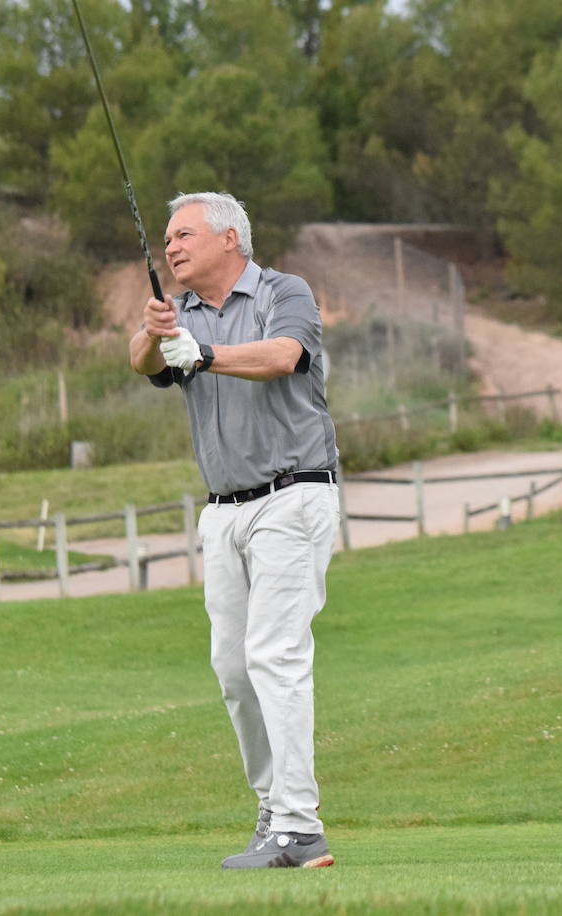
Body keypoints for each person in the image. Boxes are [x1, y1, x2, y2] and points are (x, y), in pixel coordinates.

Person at [129, 192, 339, 869]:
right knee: (233, 669)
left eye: (183, 233)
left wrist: (205, 351)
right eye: (166, 239)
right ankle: (274, 809)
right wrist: (153, 330)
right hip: (222, 509)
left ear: (229, 238)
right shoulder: (180, 313)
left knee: (275, 654)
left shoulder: (284, 290)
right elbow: (145, 363)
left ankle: (299, 826)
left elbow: (283, 355)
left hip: (293, 493)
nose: (171, 247)